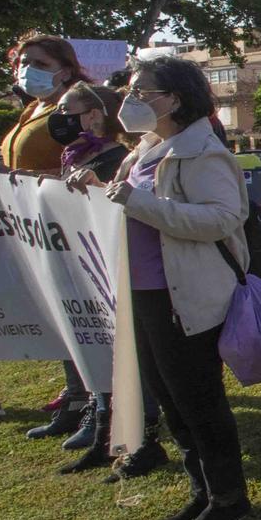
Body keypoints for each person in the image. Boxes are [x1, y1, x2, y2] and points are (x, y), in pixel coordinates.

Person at [68, 58, 252, 520]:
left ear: (175, 98)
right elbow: (124, 202)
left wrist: (134, 201)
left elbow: (220, 219)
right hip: (144, 294)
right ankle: (202, 492)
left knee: (199, 402)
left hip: (184, 297)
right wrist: (95, 190)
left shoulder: (201, 152)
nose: (131, 100)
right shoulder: (146, 150)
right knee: (172, 402)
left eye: (143, 91)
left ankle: (228, 498)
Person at [42, 84, 171, 480]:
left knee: (131, 358)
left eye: (69, 109)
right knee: (99, 348)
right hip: (90, 267)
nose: (58, 116)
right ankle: (104, 432)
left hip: (123, 270)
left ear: (95, 114)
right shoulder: (83, 155)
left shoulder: (119, 155)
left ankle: (140, 439)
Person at [0, 33, 96, 439]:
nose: (27, 69)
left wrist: (22, 178)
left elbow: (88, 164)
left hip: (68, 226)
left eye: (39, 63)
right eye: (22, 61)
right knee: (60, 318)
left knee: (80, 316)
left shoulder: (78, 108)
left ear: (65, 68)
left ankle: (90, 402)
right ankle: (76, 395)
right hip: (34, 228)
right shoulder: (34, 108)